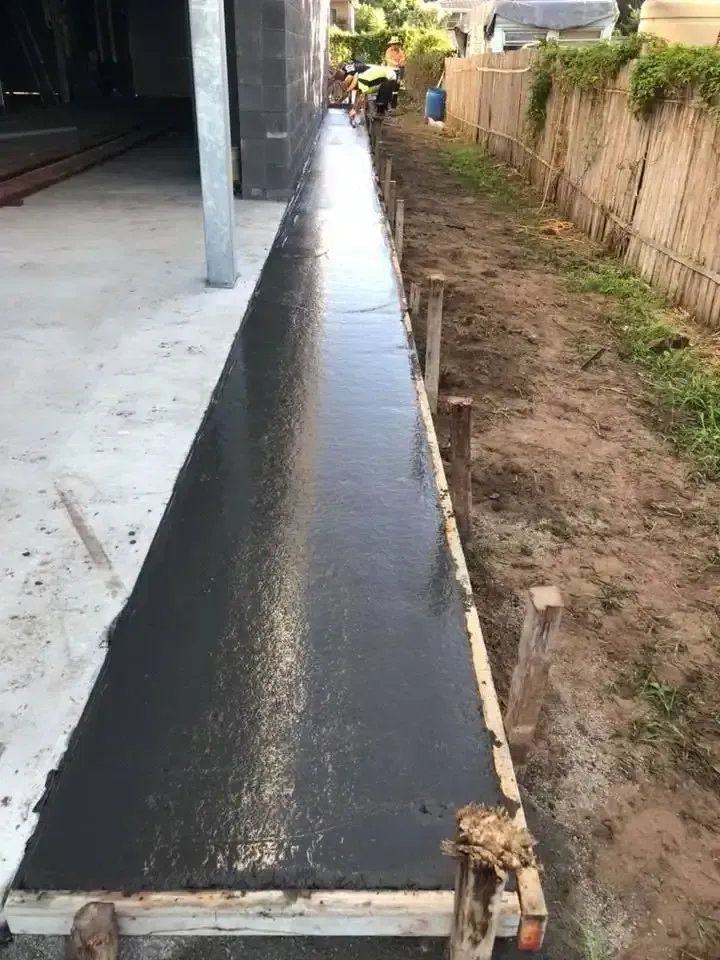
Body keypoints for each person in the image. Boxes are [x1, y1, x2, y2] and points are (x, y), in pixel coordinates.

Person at [334, 63, 398, 125]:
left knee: (381, 98)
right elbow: (358, 94)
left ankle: (384, 112)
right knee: (379, 96)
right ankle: (381, 111)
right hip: (382, 78)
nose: (354, 89)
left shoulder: (361, 79)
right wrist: (354, 109)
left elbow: (361, 96)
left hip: (390, 75)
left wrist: (355, 110)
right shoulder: (358, 79)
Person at [384, 35, 406, 109]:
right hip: (391, 69)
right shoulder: (389, 50)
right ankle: (387, 103)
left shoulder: (400, 51)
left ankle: (394, 104)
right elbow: (388, 59)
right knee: (389, 86)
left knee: (396, 87)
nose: (393, 45)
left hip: (399, 69)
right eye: (392, 44)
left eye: (395, 44)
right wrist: (394, 63)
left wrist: (400, 61)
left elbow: (403, 58)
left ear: (397, 44)